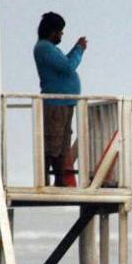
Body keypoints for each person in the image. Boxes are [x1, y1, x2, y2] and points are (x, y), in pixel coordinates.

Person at [33, 12, 88, 186]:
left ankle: (59, 179)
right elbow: (68, 66)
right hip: (55, 104)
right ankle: (45, 181)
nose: (61, 35)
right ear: (52, 31)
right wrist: (79, 50)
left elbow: (64, 63)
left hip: (64, 103)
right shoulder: (44, 48)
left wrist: (76, 49)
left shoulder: (49, 49)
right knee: (53, 142)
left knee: (63, 143)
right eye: (60, 31)